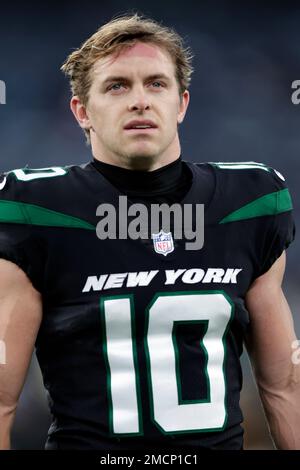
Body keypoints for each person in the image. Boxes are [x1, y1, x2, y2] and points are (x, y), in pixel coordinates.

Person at [0, 12, 299, 451]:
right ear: (82, 111)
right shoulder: (38, 210)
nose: (140, 100)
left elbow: (282, 386)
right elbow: (3, 399)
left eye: (156, 83)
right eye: (117, 85)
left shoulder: (250, 203)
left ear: (181, 104)